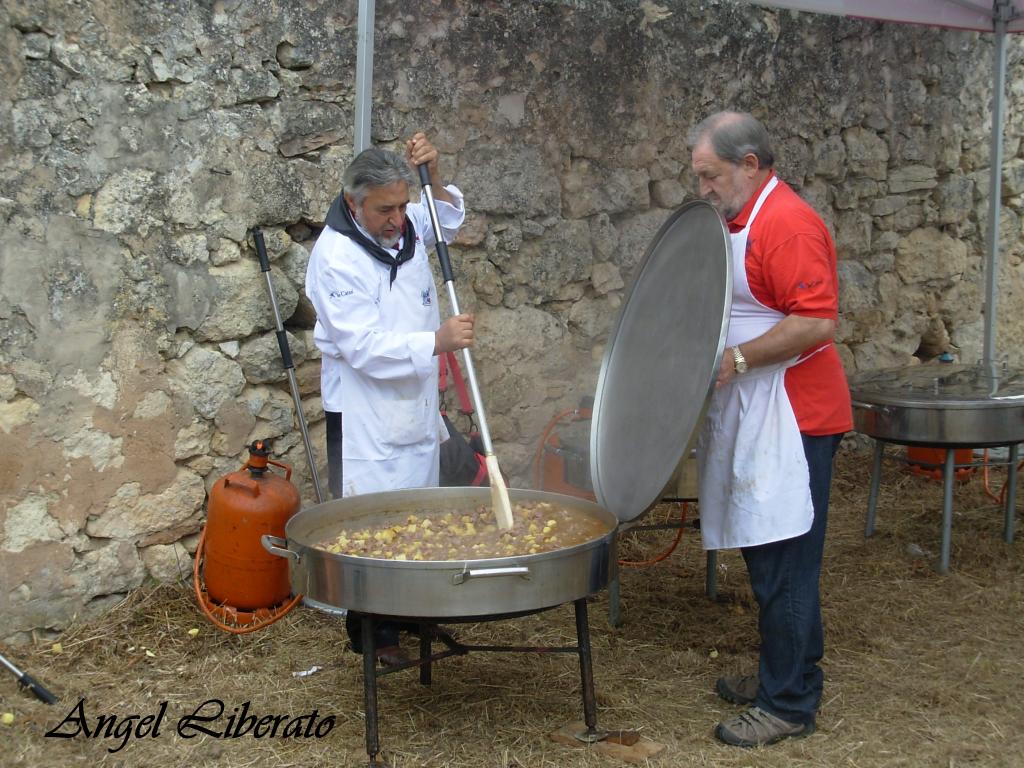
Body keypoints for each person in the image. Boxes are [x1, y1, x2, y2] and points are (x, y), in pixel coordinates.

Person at [689, 111, 852, 747]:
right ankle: (786, 674)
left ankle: (787, 703)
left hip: (795, 415)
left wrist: (735, 359)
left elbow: (816, 321)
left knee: (787, 561)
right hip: (754, 410)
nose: (702, 187)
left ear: (750, 164)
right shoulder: (736, 221)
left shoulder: (787, 224)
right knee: (766, 553)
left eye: (711, 175)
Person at [305, 132, 473, 665]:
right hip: (364, 411)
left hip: (415, 401)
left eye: (403, 205)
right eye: (385, 209)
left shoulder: (405, 225)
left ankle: (413, 613)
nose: (399, 218)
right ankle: (373, 635)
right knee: (370, 523)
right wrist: (436, 342)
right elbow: (361, 347)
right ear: (354, 203)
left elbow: (445, 220)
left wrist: (436, 174)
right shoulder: (335, 259)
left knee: (418, 509)